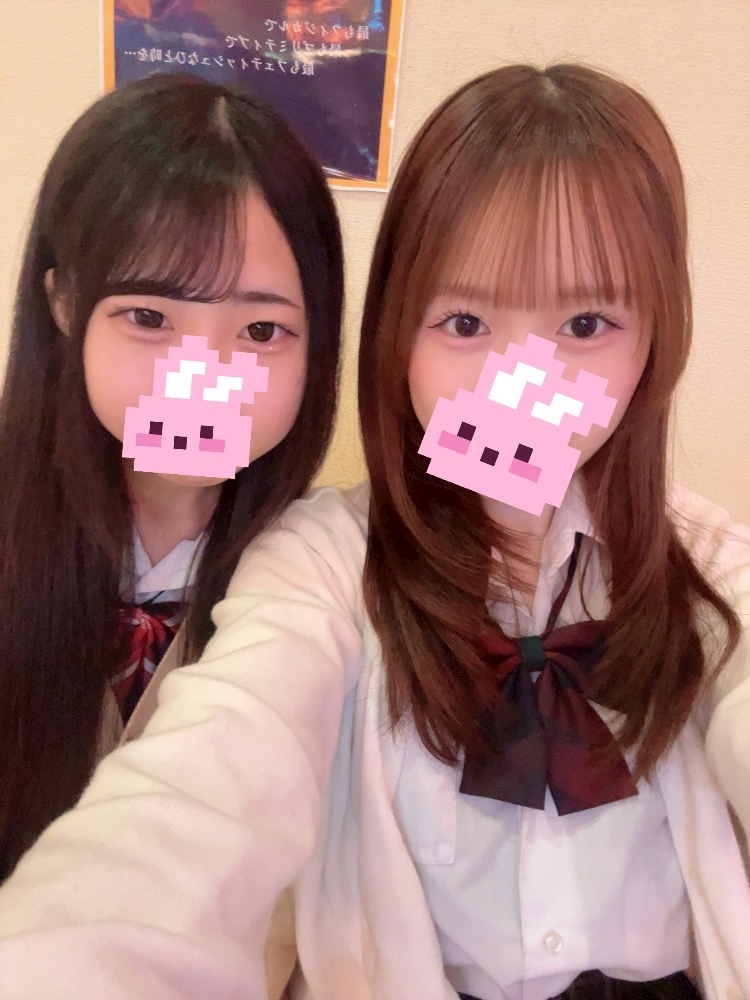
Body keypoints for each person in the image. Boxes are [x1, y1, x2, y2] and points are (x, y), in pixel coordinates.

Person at [0, 62, 748, 1000]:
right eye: (465, 321)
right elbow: (209, 784)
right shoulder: (320, 563)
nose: (516, 386)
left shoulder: (706, 562)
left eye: (587, 322)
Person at [0, 71, 342, 890]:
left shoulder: (332, 579)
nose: (204, 380)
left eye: (261, 330)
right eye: (150, 318)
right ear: (65, 303)